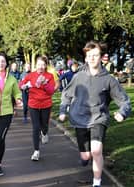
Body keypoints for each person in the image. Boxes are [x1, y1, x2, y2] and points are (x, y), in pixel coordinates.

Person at [59, 41, 131, 187]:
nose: (92, 58)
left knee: (97, 150)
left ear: (101, 57)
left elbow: (124, 100)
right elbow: (66, 94)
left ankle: (96, 182)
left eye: (95, 55)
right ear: (85, 58)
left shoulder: (109, 80)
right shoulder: (78, 77)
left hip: (99, 118)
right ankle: (85, 157)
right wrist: (62, 110)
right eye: (89, 56)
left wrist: (123, 113)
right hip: (80, 119)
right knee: (86, 155)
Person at [19, 55, 55, 161]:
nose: (41, 67)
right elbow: (21, 84)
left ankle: (44, 133)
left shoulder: (49, 76)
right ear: (36, 65)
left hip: (46, 104)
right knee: (36, 127)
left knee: (44, 125)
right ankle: (36, 151)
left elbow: (51, 91)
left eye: (43, 65)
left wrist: (45, 84)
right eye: (39, 64)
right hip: (33, 104)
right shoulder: (30, 75)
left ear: (46, 66)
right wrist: (23, 86)